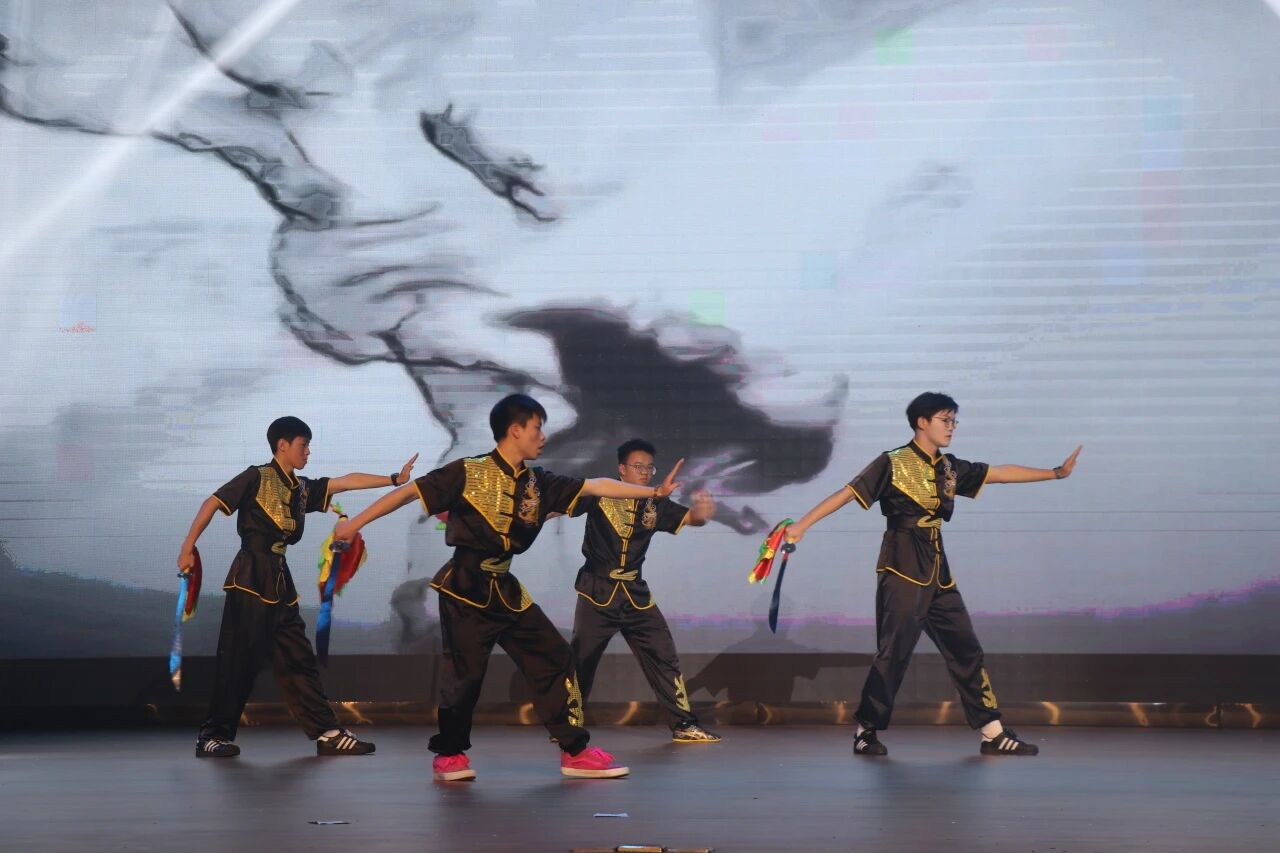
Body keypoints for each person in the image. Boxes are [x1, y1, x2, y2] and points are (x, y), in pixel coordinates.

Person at [334, 395, 686, 780]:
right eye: (537, 428)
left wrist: (653, 494)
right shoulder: (468, 471)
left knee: (555, 657)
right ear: (515, 430)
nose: (543, 437)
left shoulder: (539, 482)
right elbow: (407, 493)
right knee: (465, 675)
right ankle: (450, 755)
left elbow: (595, 486)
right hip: (465, 587)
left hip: (506, 589)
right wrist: (353, 525)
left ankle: (574, 750)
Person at [784, 392, 1081, 757]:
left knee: (966, 649)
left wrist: (1055, 473)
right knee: (894, 653)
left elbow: (999, 473)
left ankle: (992, 731)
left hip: (938, 569)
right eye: (945, 420)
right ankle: (866, 730)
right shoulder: (893, 462)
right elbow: (847, 493)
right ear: (922, 422)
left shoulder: (949, 467)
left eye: (954, 421)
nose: (951, 427)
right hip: (902, 566)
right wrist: (802, 525)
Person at [177, 416, 417, 757]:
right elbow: (212, 502)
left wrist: (393, 479)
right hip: (250, 578)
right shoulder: (256, 476)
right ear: (282, 445)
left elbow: (344, 483)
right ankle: (212, 736)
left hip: (279, 580)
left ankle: (327, 732)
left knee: (298, 658)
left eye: (308, 445)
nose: (308, 452)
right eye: (303, 445)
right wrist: (188, 546)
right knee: (238, 659)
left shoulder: (301, 488)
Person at [566, 438, 719, 743]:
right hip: (597, 591)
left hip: (635, 594)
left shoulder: (655, 503)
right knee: (582, 660)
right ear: (622, 469)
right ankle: (568, 725)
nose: (645, 473)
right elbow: (560, 505)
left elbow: (691, 519)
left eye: (649, 468)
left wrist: (703, 512)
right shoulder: (600, 493)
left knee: (663, 655)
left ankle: (683, 724)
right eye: (638, 467)